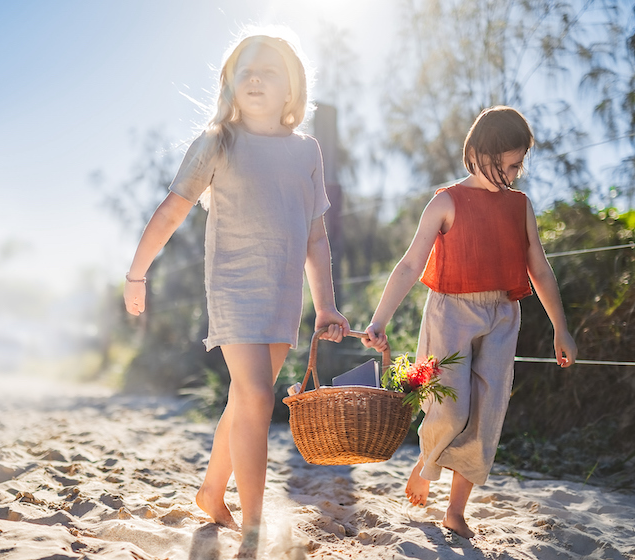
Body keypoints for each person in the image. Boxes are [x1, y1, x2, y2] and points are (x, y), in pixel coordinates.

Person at [123, 29, 350, 552]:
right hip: (233, 287)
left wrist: (327, 305)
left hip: (282, 295)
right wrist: (137, 273)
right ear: (228, 82)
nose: (256, 78)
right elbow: (172, 209)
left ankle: (210, 491)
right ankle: (252, 524)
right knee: (256, 396)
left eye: (270, 71)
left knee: (245, 399)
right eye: (245, 69)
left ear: (292, 90)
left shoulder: (307, 152)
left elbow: (316, 238)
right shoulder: (217, 142)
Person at [362, 106, 577, 539]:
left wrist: (561, 326)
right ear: (481, 153)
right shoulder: (446, 201)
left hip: (502, 315)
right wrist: (380, 319)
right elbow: (408, 266)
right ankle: (427, 464)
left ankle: (455, 509)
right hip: (450, 314)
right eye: (512, 163)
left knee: (487, 411)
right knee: (448, 406)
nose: (517, 173)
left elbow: (540, 267)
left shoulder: (520, 207)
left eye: (520, 165)